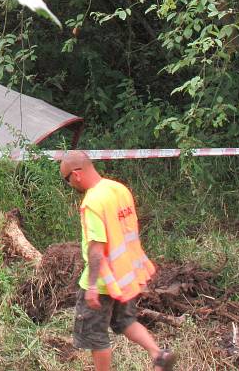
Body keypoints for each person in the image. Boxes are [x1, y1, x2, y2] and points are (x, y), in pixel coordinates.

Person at [59, 150, 176, 371]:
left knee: (95, 336)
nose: (69, 184)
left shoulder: (93, 201)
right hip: (125, 275)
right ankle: (159, 354)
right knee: (126, 321)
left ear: (76, 174)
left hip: (103, 281)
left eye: (67, 180)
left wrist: (92, 285)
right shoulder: (118, 189)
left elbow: (96, 248)